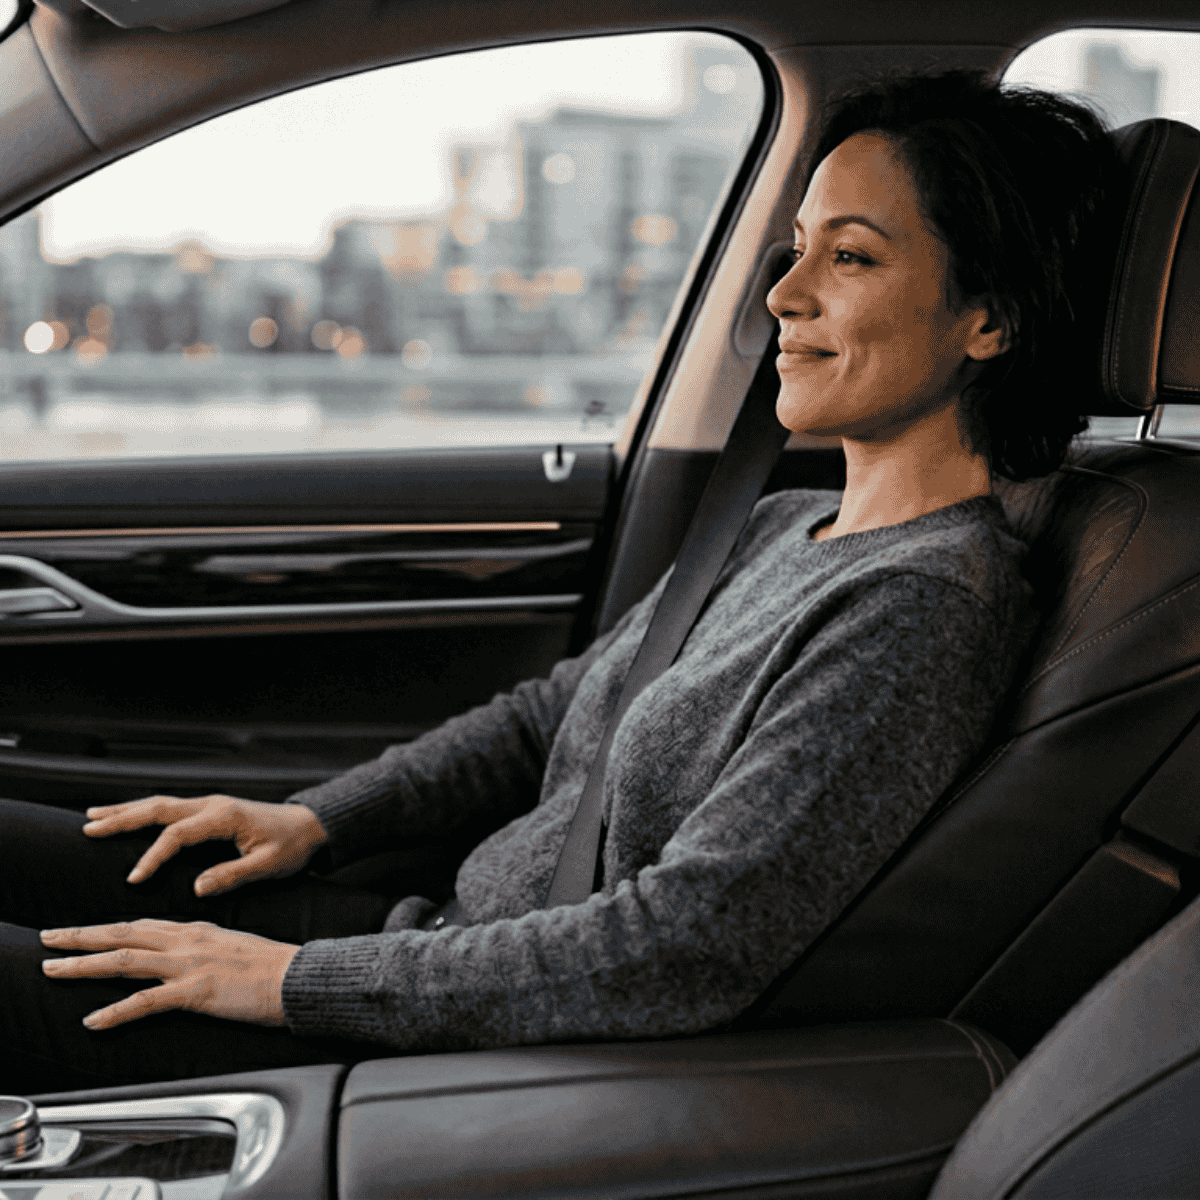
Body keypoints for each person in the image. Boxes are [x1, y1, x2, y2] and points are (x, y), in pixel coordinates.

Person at [0, 67, 1117, 1094]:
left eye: (853, 257)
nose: (785, 293)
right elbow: (549, 717)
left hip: (472, 1032)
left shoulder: (921, 608)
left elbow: (688, 944)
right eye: (797, 246)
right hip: (435, 944)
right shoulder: (783, 525)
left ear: (990, 318)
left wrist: (292, 982)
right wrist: (313, 820)